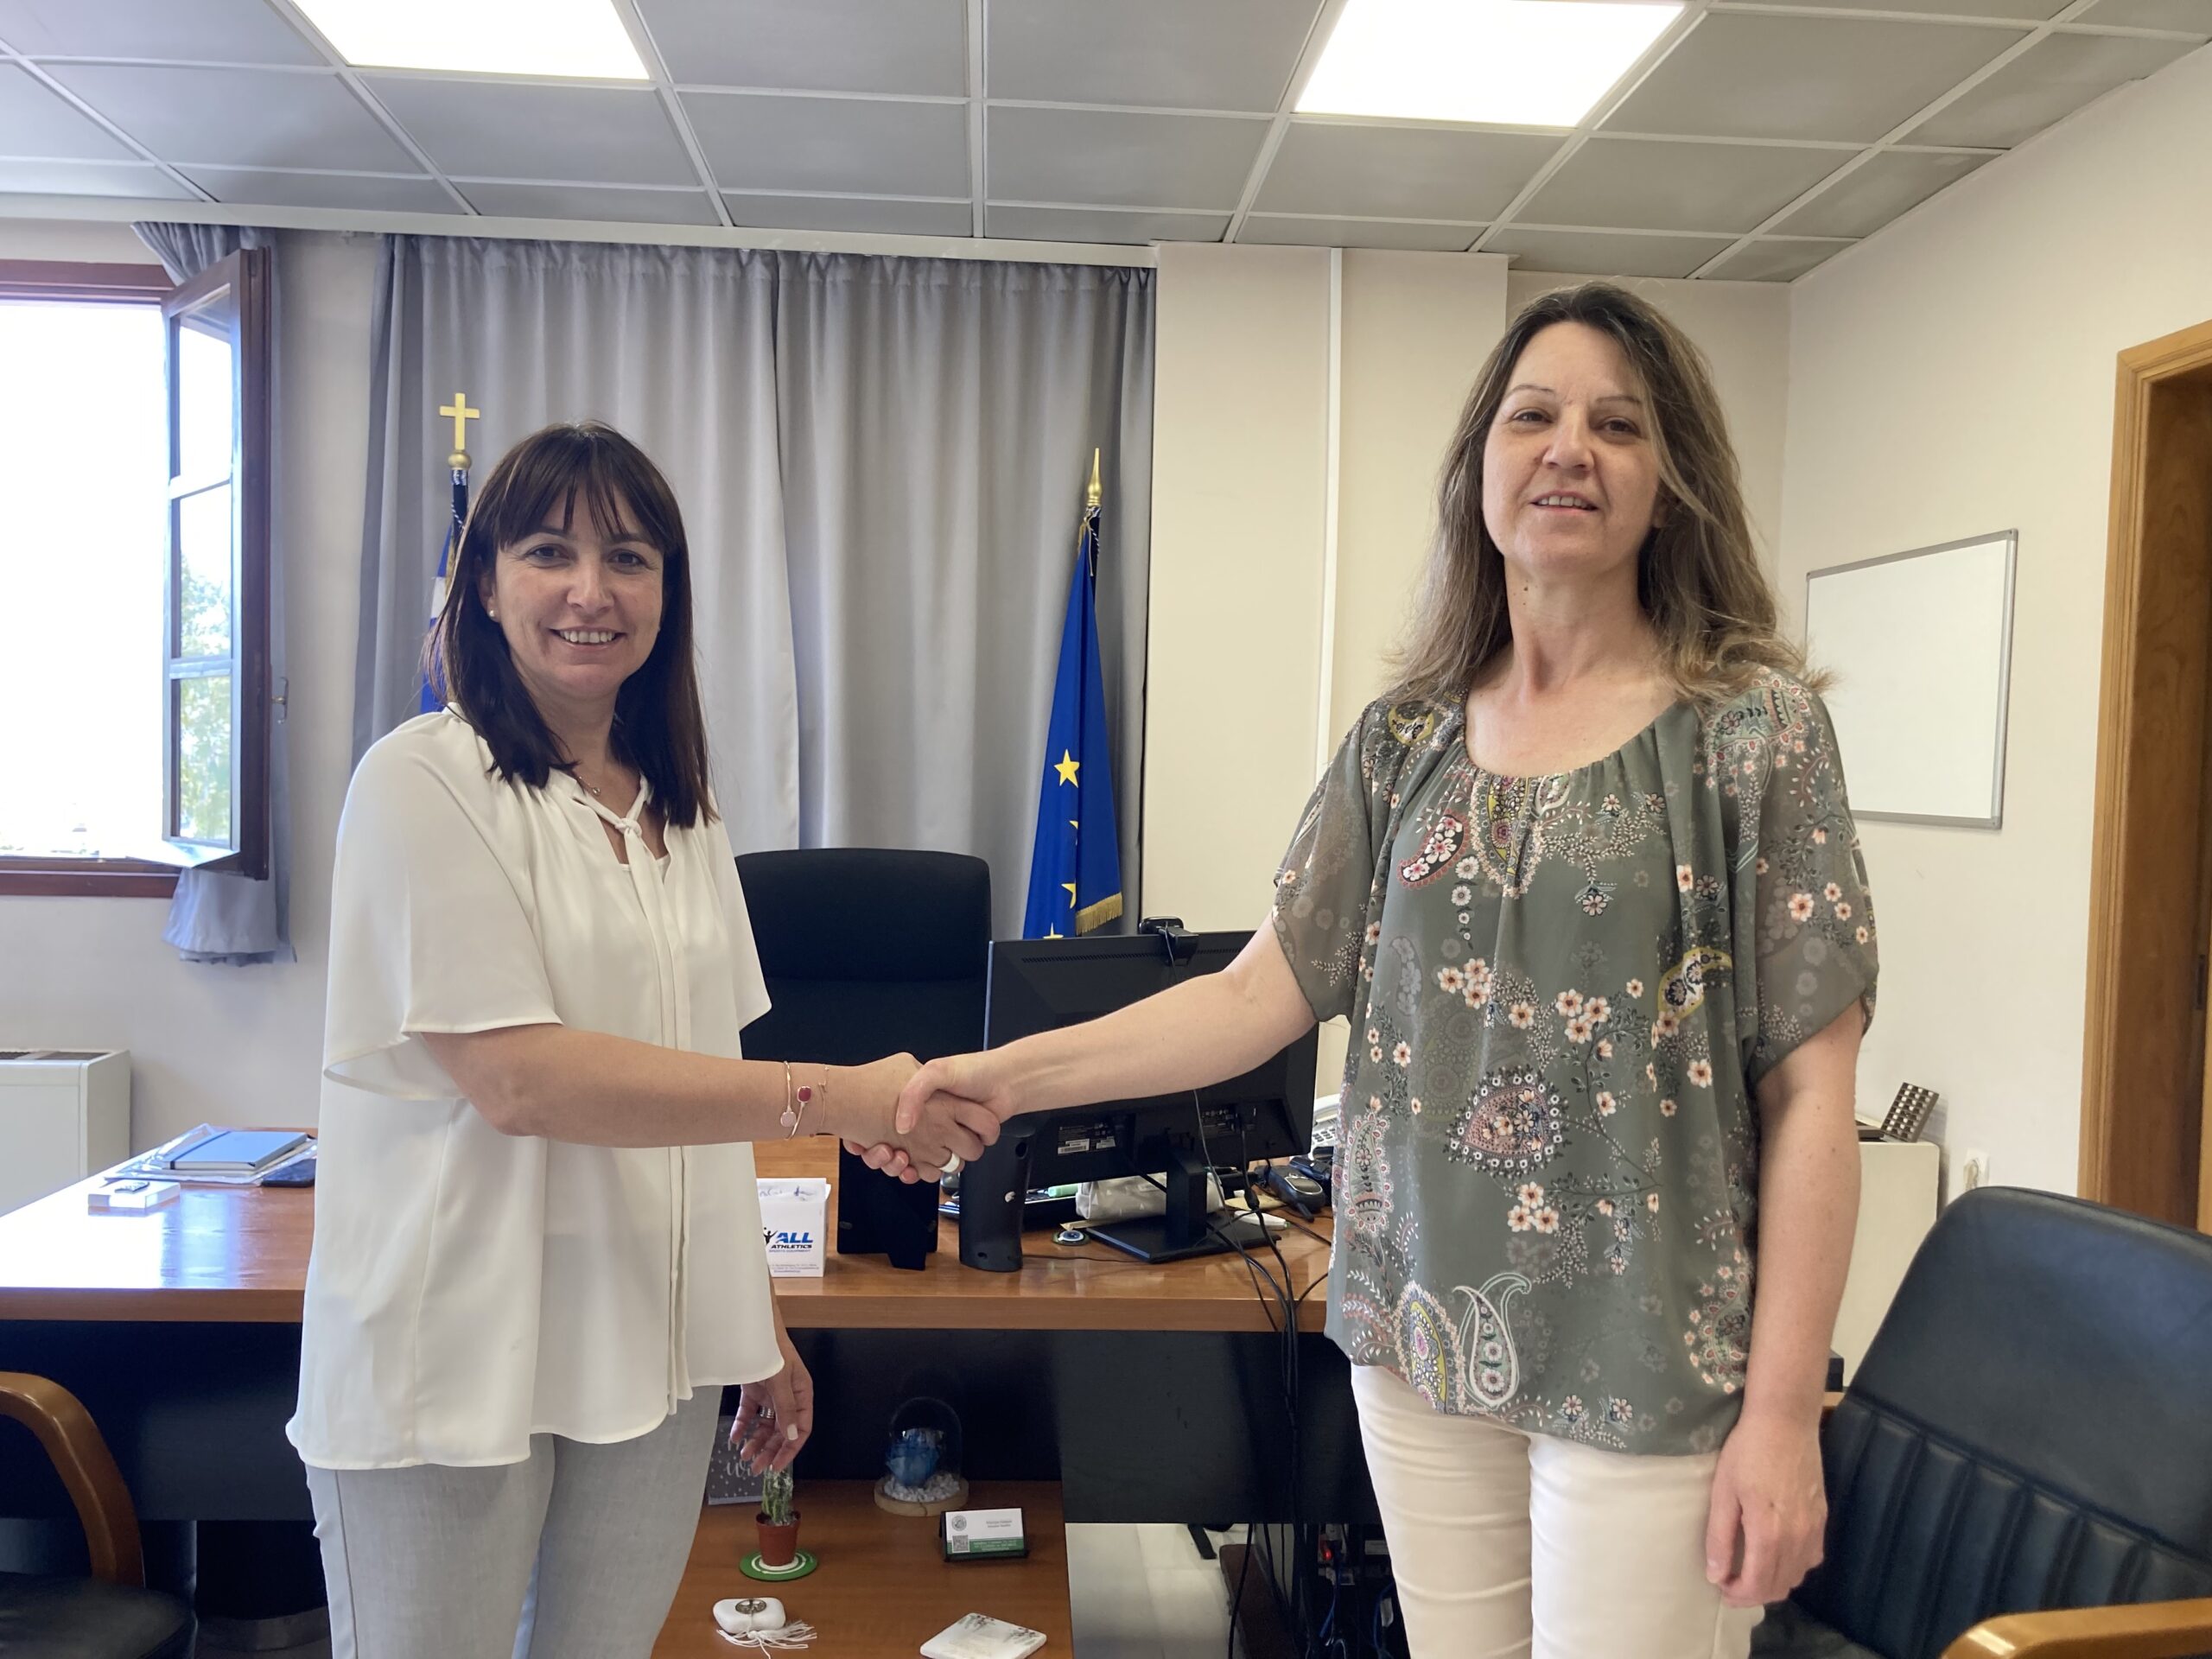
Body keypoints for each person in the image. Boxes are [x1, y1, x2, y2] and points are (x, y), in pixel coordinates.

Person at [870, 283, 1876, 1658]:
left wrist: (1783, 1416)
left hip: (1650, 1363)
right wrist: (1001, 1076)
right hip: (1419, 1348)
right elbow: (1251, 997)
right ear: (1480, 469)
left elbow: (1813, 1096)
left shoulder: (1753, 736)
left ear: (1672, 479)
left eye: (1618, 425)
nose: (1569, 448)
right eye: (1533, 415)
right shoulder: (1403, 743)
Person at [289, 423, 998, 1659]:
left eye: (628, 558)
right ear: (485, 583)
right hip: (453, 1358)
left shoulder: (683, 810)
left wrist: (757, 1326)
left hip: (649, 1353)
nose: (591, 591)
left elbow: (703, 1093)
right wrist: (838, 1095)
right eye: (548, 552)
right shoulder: (422, 782)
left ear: (667, 593)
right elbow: (520, 1079)